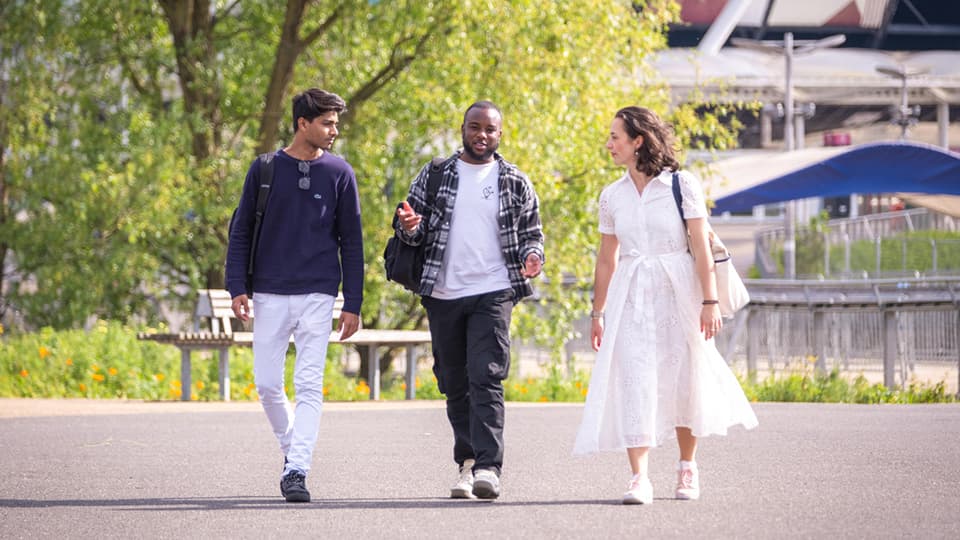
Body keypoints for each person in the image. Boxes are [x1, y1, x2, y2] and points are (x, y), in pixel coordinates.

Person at [573, 106, 757, 505]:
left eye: (615, 137)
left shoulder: (681, 185)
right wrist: (597, 312)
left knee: (684, 378)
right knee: (634, 380)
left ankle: (686, 467)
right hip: (631, 294)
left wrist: (710, 301)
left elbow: (701, 247)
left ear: (638, 141)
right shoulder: (611, 196)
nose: (608, 144)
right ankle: (639, 477)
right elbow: (607, 259)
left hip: (679, 291)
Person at [394, 101, 544, 500]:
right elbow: (410, 228)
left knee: (487, 376)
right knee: (454, 382)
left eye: (490, 129)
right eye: (475, 127)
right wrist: (410, 226)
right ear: (462, 128)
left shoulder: (513, 180)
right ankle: (466, 464)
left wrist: (534, 257)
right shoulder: (436, 174)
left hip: (494, 292)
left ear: (500, 134)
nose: (482, 135)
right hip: (443, 292)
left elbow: (533, 234)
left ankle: (489, 468)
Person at [225, 88, 363, 503]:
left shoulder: (341, 173)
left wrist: (353, 302)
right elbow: (242, 231)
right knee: (267, 384)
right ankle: (292, 451)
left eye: (336, 123)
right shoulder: (264, 168)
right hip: (269, 292)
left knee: (308, 384)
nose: (334, 130)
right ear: (303, 123)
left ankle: (297, 470)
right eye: (327, 122)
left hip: (319, 294)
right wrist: (237, 286)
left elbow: (352, 242)